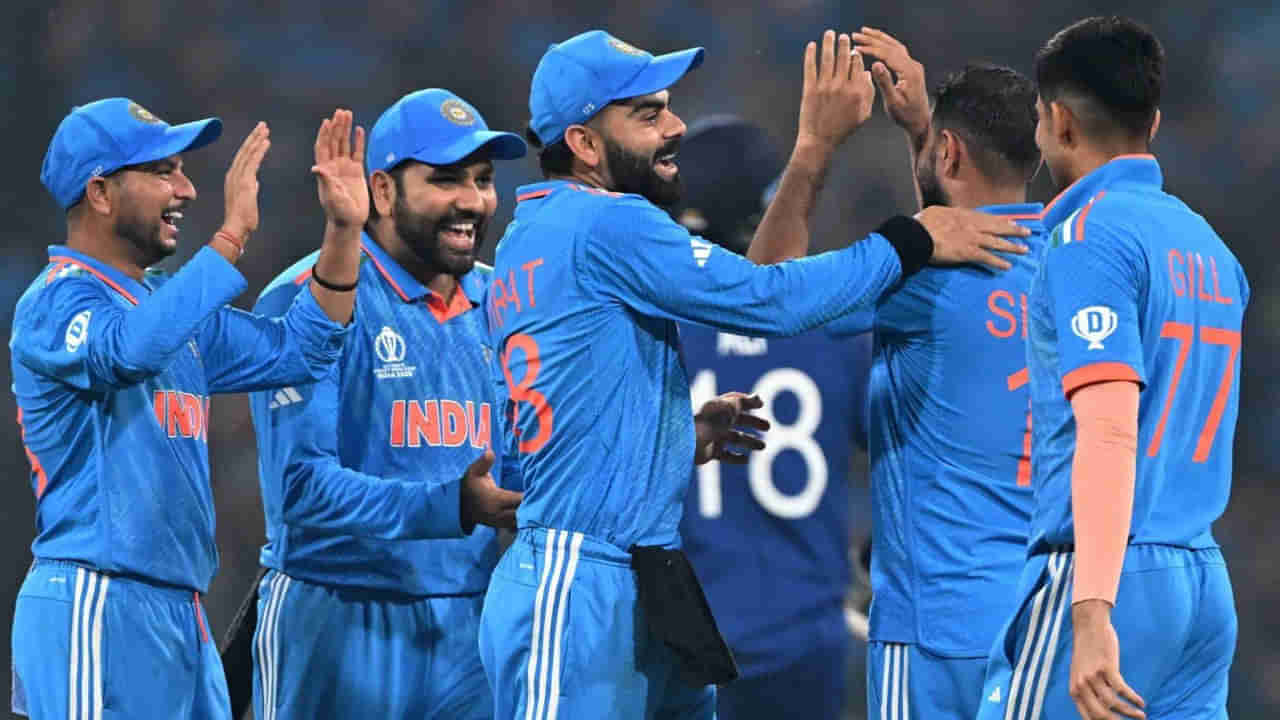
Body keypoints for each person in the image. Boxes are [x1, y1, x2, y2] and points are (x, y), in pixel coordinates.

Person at [478, 28, 1033, 719]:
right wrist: (912, 238)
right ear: (585, 144)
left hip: (633, 572)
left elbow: (545, 430)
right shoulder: (608, 225)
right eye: (647, 115)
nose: (675, 127)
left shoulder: (527, 243)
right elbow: (768, 298)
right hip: (582, 579)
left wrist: (669, 438)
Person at [10, 99, 367, 719]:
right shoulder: (54, 301)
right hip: (96, 600)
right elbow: (125, 352)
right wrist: (230, 240)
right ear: (100, 191)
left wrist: (342, 232)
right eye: (163, 172)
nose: (187, 189)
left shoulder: (171, 306)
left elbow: (303, 348)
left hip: (180, 611)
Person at [976, 16, 1247, 720]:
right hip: (1201, 580)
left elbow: (1109, 429)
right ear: (1151, 122)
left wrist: (1092, 609)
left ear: (1059, 122)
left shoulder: (1087, 238)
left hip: (1108, 575)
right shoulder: (1211, 248)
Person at [247, 89, 526, 720]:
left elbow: (525, 461)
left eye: (483, 180)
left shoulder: (504, 304)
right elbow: (300, 490)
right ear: (382, 190)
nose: (474, 201)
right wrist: (451, 505)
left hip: (470, 628)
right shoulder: (309, 299)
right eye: (446, 179)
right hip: (338, 618)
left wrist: (669, 441)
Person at [842, 28, 1047, 720]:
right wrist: (923, 134)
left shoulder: (917, 284)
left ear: (952, 153)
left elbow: (769, 295)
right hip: (1039, 621)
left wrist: (814, 148)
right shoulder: (1069, 262)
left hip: (934, 626)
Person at [671, 115, 874, 720]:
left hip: (684, 642)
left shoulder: (653, 325)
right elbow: (904, 454)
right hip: (806, 639)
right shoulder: (832, 322)